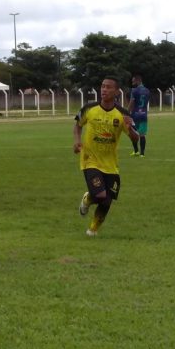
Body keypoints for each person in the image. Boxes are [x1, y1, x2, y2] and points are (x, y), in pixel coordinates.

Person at [73, 76, 139, 236]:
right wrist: (77, 141)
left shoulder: (122, 114)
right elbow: (77, 125)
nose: (104, 89)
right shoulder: (89, 108)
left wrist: (130, 128)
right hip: (90, 159)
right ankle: (89, 199)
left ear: (116, 92)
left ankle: (92, 230)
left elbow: (136, 138)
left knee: (107, 199)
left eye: (109, 87)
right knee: (100, 194)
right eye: (103, 86)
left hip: (110, 164)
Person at [127, 74, 151, 157]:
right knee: (142, 134)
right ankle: (142, 154)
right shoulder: (147, 91)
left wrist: (127, 112)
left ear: (138, 81)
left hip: (135, 114)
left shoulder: (134, 91)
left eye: (133, 81)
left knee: (133, 134)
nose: (132, 83)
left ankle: (136, 151)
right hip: (144, 114)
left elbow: (131, 103)